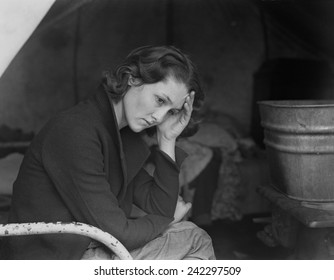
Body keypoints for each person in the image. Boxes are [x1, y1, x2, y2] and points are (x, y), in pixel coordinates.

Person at [1, 45, 215, 260]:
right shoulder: (76, 131)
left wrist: (167, 139)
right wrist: (167, 221)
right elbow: (120, 233)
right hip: (52, 260)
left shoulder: (120, 135)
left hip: (85, 247)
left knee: (190, 235)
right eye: (160, 100)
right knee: (195, 239)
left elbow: (158, 205)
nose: (159, 117)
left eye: (172, 112)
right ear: (133, 78)